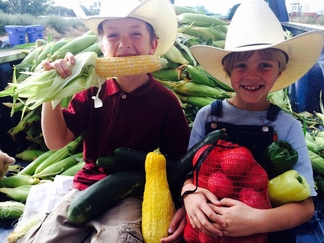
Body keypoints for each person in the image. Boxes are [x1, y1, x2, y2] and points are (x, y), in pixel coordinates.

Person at [20, 0, 190, 242]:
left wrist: (180, 205)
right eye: (113, 35)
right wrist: (53, 93)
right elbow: (57, 141)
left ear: (153, 45)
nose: (124, 43)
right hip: (86, 185)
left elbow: (178, 164)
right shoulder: (92, 91)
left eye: (135, 33)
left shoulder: (166, 102)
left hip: (132, 191)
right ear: (101, 45)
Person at [181, 0, 324, 242]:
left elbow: (306, 206)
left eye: (265, 65)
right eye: (241, 65)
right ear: (228, 71)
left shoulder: (287, 125)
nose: (252, 75)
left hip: (265, 233)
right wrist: (189, 195)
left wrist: (255, 221)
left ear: (279, 71)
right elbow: (187, 174)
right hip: (211, 232)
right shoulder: (207, 117)